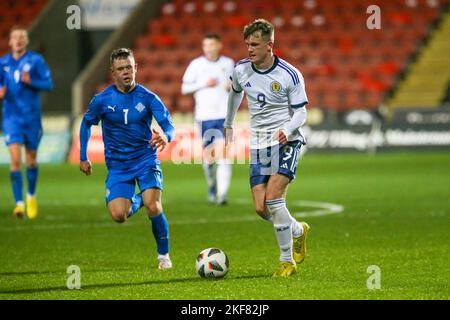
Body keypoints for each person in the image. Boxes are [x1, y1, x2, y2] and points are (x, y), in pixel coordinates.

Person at [224, 19, 310, 277]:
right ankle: (296, 229)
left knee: (274, 198)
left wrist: (289, 130)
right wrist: (228, 122)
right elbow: (235, 93)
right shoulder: (241, 70)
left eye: (255, 44)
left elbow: (301, 112)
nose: (249, 49)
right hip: (258, 142)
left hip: (286, 140)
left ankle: (286, 261)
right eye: (247, 44)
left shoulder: (289, 74)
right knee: (261, 208)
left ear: (270, 45)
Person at [79, 48, 175, 269]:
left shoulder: (148, 97)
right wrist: (83, 156)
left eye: (129, 67)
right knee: (119, 215)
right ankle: (141, 199)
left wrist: (165, 135)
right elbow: (86, 123)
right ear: (113, 72)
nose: (126, 72)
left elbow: (168, 124)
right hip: (118, 166)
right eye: (121, 68)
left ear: (136, 68)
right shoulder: (101, 100)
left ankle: (164, 256)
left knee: (154, 207)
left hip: (145, 160)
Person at [0, 26, 53, 219]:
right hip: (11, 118)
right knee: (15, 160)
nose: (19, 40)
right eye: (15, 37)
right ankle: (19, 204)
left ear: (27, 41)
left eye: (22, 37)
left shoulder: (36, 61)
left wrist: (31, 81)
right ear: (10, 41)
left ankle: (31, 196)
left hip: (31, 118)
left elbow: (48, 84)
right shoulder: (3, 62)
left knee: (30, 161)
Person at [181, 33, 234, 205]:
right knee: (209, 160)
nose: (209, 48)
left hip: (224, 116)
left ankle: (222, 195)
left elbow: (238, 87)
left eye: (212, 45)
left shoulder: (228, 63)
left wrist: (233, 87)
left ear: (219, 45)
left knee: (224, 156)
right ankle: (212, 184)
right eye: (206, 45)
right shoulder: (196, 65)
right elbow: (184, 88)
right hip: (204, 117)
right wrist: (203, 83)